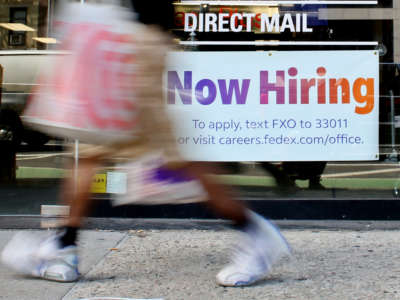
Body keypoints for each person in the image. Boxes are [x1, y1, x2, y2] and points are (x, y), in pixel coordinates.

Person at [1, 0, 291, 287]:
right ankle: (64, 245)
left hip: (133, 37)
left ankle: (256, 233)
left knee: (169, 157)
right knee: (94, 148)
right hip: (123, 33)